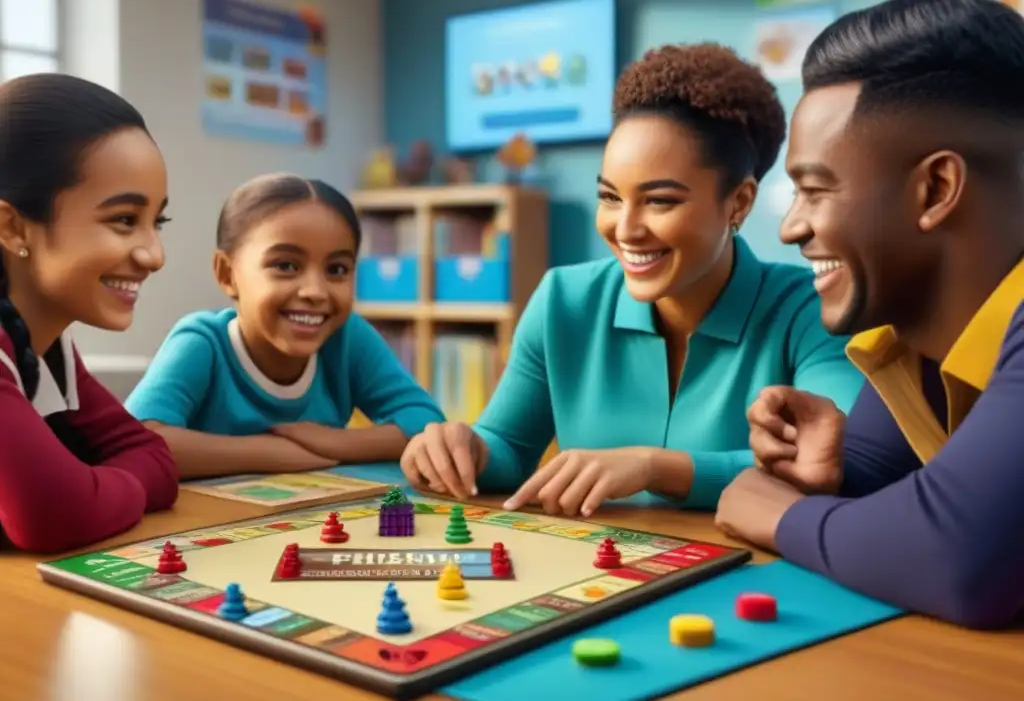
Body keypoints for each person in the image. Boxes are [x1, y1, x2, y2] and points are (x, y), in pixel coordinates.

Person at [401, 44, 865, 515]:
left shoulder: (812, 310)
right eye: (610, 197)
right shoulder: (563, 301)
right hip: (600, 579)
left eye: (660, 201)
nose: (625, 230)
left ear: (739, 202)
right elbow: (509, 445)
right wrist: (465, 450)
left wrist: (654, 467)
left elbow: (841, 460)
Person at [715, 0, 1024, 630]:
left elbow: (957, 558)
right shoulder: (909, 335)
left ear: (936, 189)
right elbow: (885, 496)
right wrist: (832, 477)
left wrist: (778, 513)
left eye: (815, 190)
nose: (792, 228)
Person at [125, 173, 444, 479]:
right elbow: (136, 444)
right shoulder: (203, 342)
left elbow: (426, 423)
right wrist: (277, 453)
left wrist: (333, 442)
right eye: (286, 266)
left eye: (336, 269)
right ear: (227, 274)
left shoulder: (346, 339)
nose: (316, 292)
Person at [0, 73, 179, 553]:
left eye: (155, 222)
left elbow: (156, 461)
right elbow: (55, 513)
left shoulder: (45, 345)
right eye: (124, 220)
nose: (154, 255)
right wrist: (92, 488)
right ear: (13, 227)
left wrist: (95, 486)